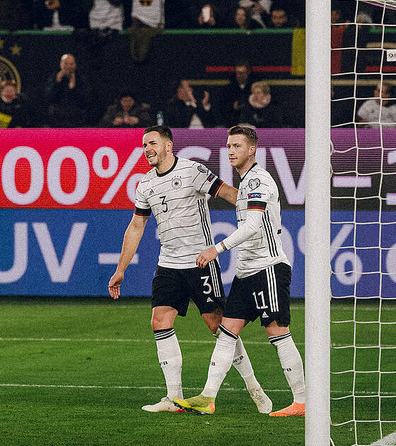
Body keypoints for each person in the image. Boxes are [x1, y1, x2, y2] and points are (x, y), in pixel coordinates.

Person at [108, 125, 273, 414]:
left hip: (200, 261)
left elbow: (226, 193)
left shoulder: (191, 171)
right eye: (145, 144)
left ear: (169, 146)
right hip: (168, 264)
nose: (147, 149)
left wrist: (260, 206)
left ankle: (254, 387)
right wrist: (121, 268)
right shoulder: (145, 184)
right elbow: (136, 226)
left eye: (153, 143)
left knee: (217, 326)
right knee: (159, 321)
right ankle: (174, 399)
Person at [175, 125, 306, 418]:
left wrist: (216, 250)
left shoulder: (259, 179)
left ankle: (302, 401)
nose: (231, 150)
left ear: (252, 149)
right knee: (227, 332)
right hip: (246, 272)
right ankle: (208, 397)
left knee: (277, 331)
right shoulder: (246, 183)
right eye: (229, 145)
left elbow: (253, 225)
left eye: (237, 145)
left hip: (268, 268)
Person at [42, 53, 91, 127]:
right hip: (56, 121)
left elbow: (85, 100)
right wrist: (57, 83)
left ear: (75, 65)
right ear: (61, 64)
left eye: (71, 64)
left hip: (76, 121)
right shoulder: (53, 79)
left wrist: (73, 88)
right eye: (66, 64)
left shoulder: (81, 80)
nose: (68, 67)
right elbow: (48, 98)